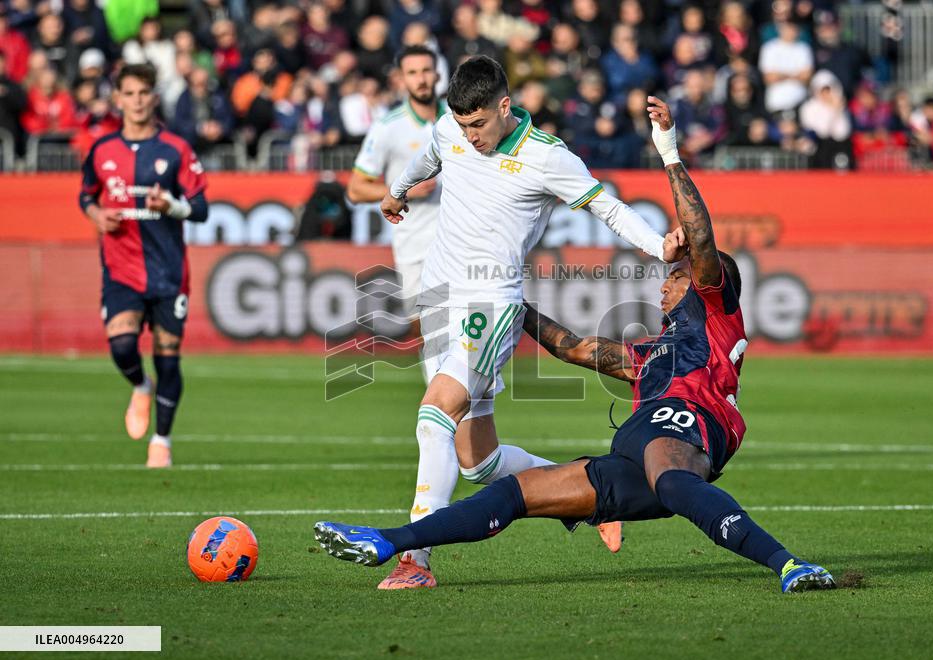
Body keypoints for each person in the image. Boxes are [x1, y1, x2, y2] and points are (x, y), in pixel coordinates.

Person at [315, 96, 836, 594]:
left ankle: (789, 564)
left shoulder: (716, 312)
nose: (665, 284)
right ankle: (389, 541)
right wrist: (518, 311)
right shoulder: (653, 353)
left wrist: (670, 152)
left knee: (674, 483)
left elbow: (700, 241)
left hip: (691, 422)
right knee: (512, 492)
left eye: (674, 277)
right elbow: (576, 349)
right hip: (634, 445)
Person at [369, 55, 668, 589]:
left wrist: (660, 245)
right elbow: (429, 157)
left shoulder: (548, 157)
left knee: (432, 414)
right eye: (463, 125)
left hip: (492, 304)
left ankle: (415, 561)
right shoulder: (450, 128)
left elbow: (610, 209)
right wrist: (397, 193)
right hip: (438, 299)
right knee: (477, 466)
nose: (471, 135)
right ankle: (588, 492)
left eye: (479, 124)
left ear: (504, 107)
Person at [78, 63, 208, 468]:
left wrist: (170, 204)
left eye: (143, 93)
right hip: (121, 268)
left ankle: (162, 441)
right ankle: (140, 384)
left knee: (168, 355)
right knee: (121, 344)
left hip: (169, 271)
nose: (136, 101)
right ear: (117, 99)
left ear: (154, 97)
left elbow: (201, 208)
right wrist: (97, 214)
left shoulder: (176, 149)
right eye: (128, 93)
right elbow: (86, 196)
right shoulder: (102, 151)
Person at [347, 45, 444, 338]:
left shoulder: (458, 120)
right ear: (401, 80)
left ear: (438, 74)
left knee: (471, 324)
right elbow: (355, 189)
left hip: (460, 236)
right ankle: (439, 383)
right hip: (413, 239)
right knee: (425, 327)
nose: (421, 79)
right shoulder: (388, 127)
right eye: (412, 73)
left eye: (426, 70)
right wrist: (402, 192)